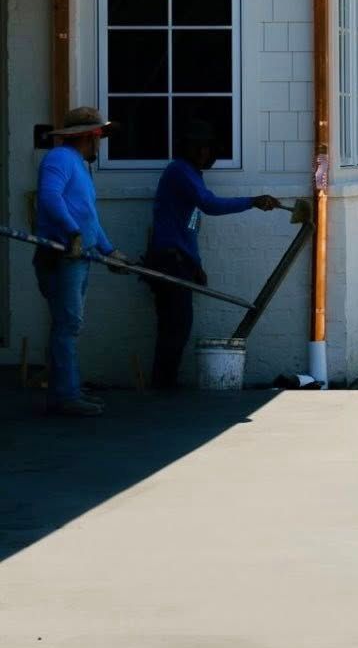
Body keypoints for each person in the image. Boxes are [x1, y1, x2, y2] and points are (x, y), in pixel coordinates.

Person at [146, 120, 280, 389]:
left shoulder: (192, 175)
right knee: (176, 325)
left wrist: (196, 264)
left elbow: (191, 225)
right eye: (201, 147)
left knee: (177, 324)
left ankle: (163, 385)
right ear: (190, 148)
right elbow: (209, 205)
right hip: (169, 260)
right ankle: (162, 387)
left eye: (208, 148)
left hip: (178, 260)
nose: (206, 153)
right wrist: (252, 202)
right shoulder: (180, 172)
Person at [34, 106, 128, 418]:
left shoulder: (77, 166)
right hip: (62, 255)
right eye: (99, 136)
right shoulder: (59, 159)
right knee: (67, 325)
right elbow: (49, 198)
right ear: (90, 137)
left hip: (78, 255)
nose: (100, 143)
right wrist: (72, 233)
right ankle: (66, 395)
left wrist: (108, 250)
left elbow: (89, 218)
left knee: (67, 325)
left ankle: (65, 389)